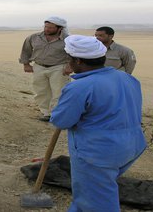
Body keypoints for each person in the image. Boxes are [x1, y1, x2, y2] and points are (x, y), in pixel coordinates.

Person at [50, 35, 147, 212]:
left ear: (77, 60)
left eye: (69, 59)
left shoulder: (80, 87)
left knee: (96, 202)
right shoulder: (127, 78)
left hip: (99, 153)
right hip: (132, 145)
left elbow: (61, 121)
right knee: (96, 190)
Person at [19, 16, 71, 122]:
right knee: (41, 91)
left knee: (59, 92)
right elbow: (26, 50)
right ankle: (46, 113)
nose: (47, 29)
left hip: (59, 67)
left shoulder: (68, 40)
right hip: (39, 67)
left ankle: (56, 114)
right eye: (46, 26)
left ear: (59, 28)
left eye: (51, 28)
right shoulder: (34, 37)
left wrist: (70, 66)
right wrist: (26, 64)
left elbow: (73, 54)